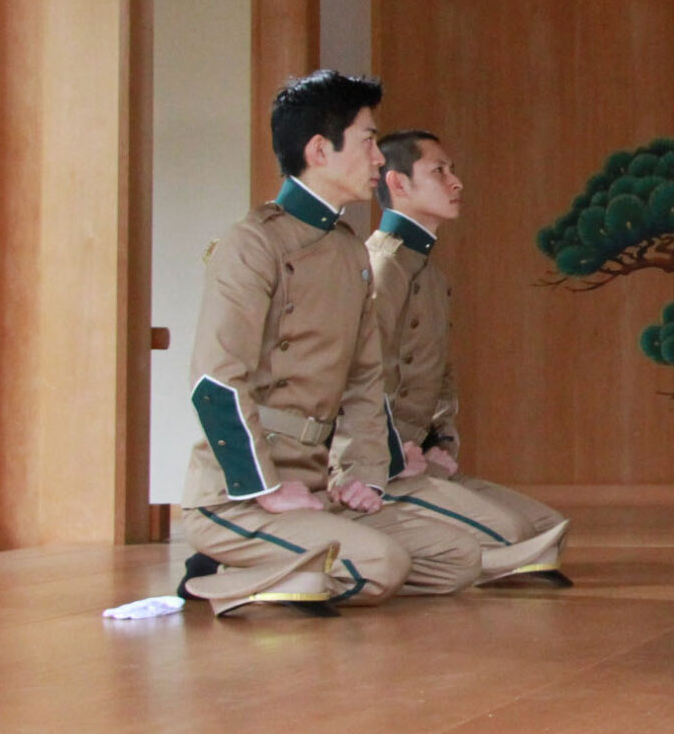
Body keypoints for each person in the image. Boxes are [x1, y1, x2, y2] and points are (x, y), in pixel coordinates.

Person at [175, 71, 482, 617]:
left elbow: (365, 382)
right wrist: (264, 488)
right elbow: (215, 383)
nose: (378, 159)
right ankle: (223, 571)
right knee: (382, 566)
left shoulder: (349, 252)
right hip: (238, 496)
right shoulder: (253, 244)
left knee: (459, 557)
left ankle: (291, 570)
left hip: (319, 488)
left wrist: (364, 474)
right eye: (368, 141)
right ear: (320, 150)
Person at [368, 129, 572, 586]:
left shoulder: (430, 272)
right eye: (439, 171)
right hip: (380, 467)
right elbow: (360, 377)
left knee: (547, 529)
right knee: (512, 536)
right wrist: (392, 456)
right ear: (398, 183)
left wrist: (441, 443)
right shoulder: (383, 267)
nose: (456, 182)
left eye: (453, 170)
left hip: (419, 458)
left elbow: (441, 375)